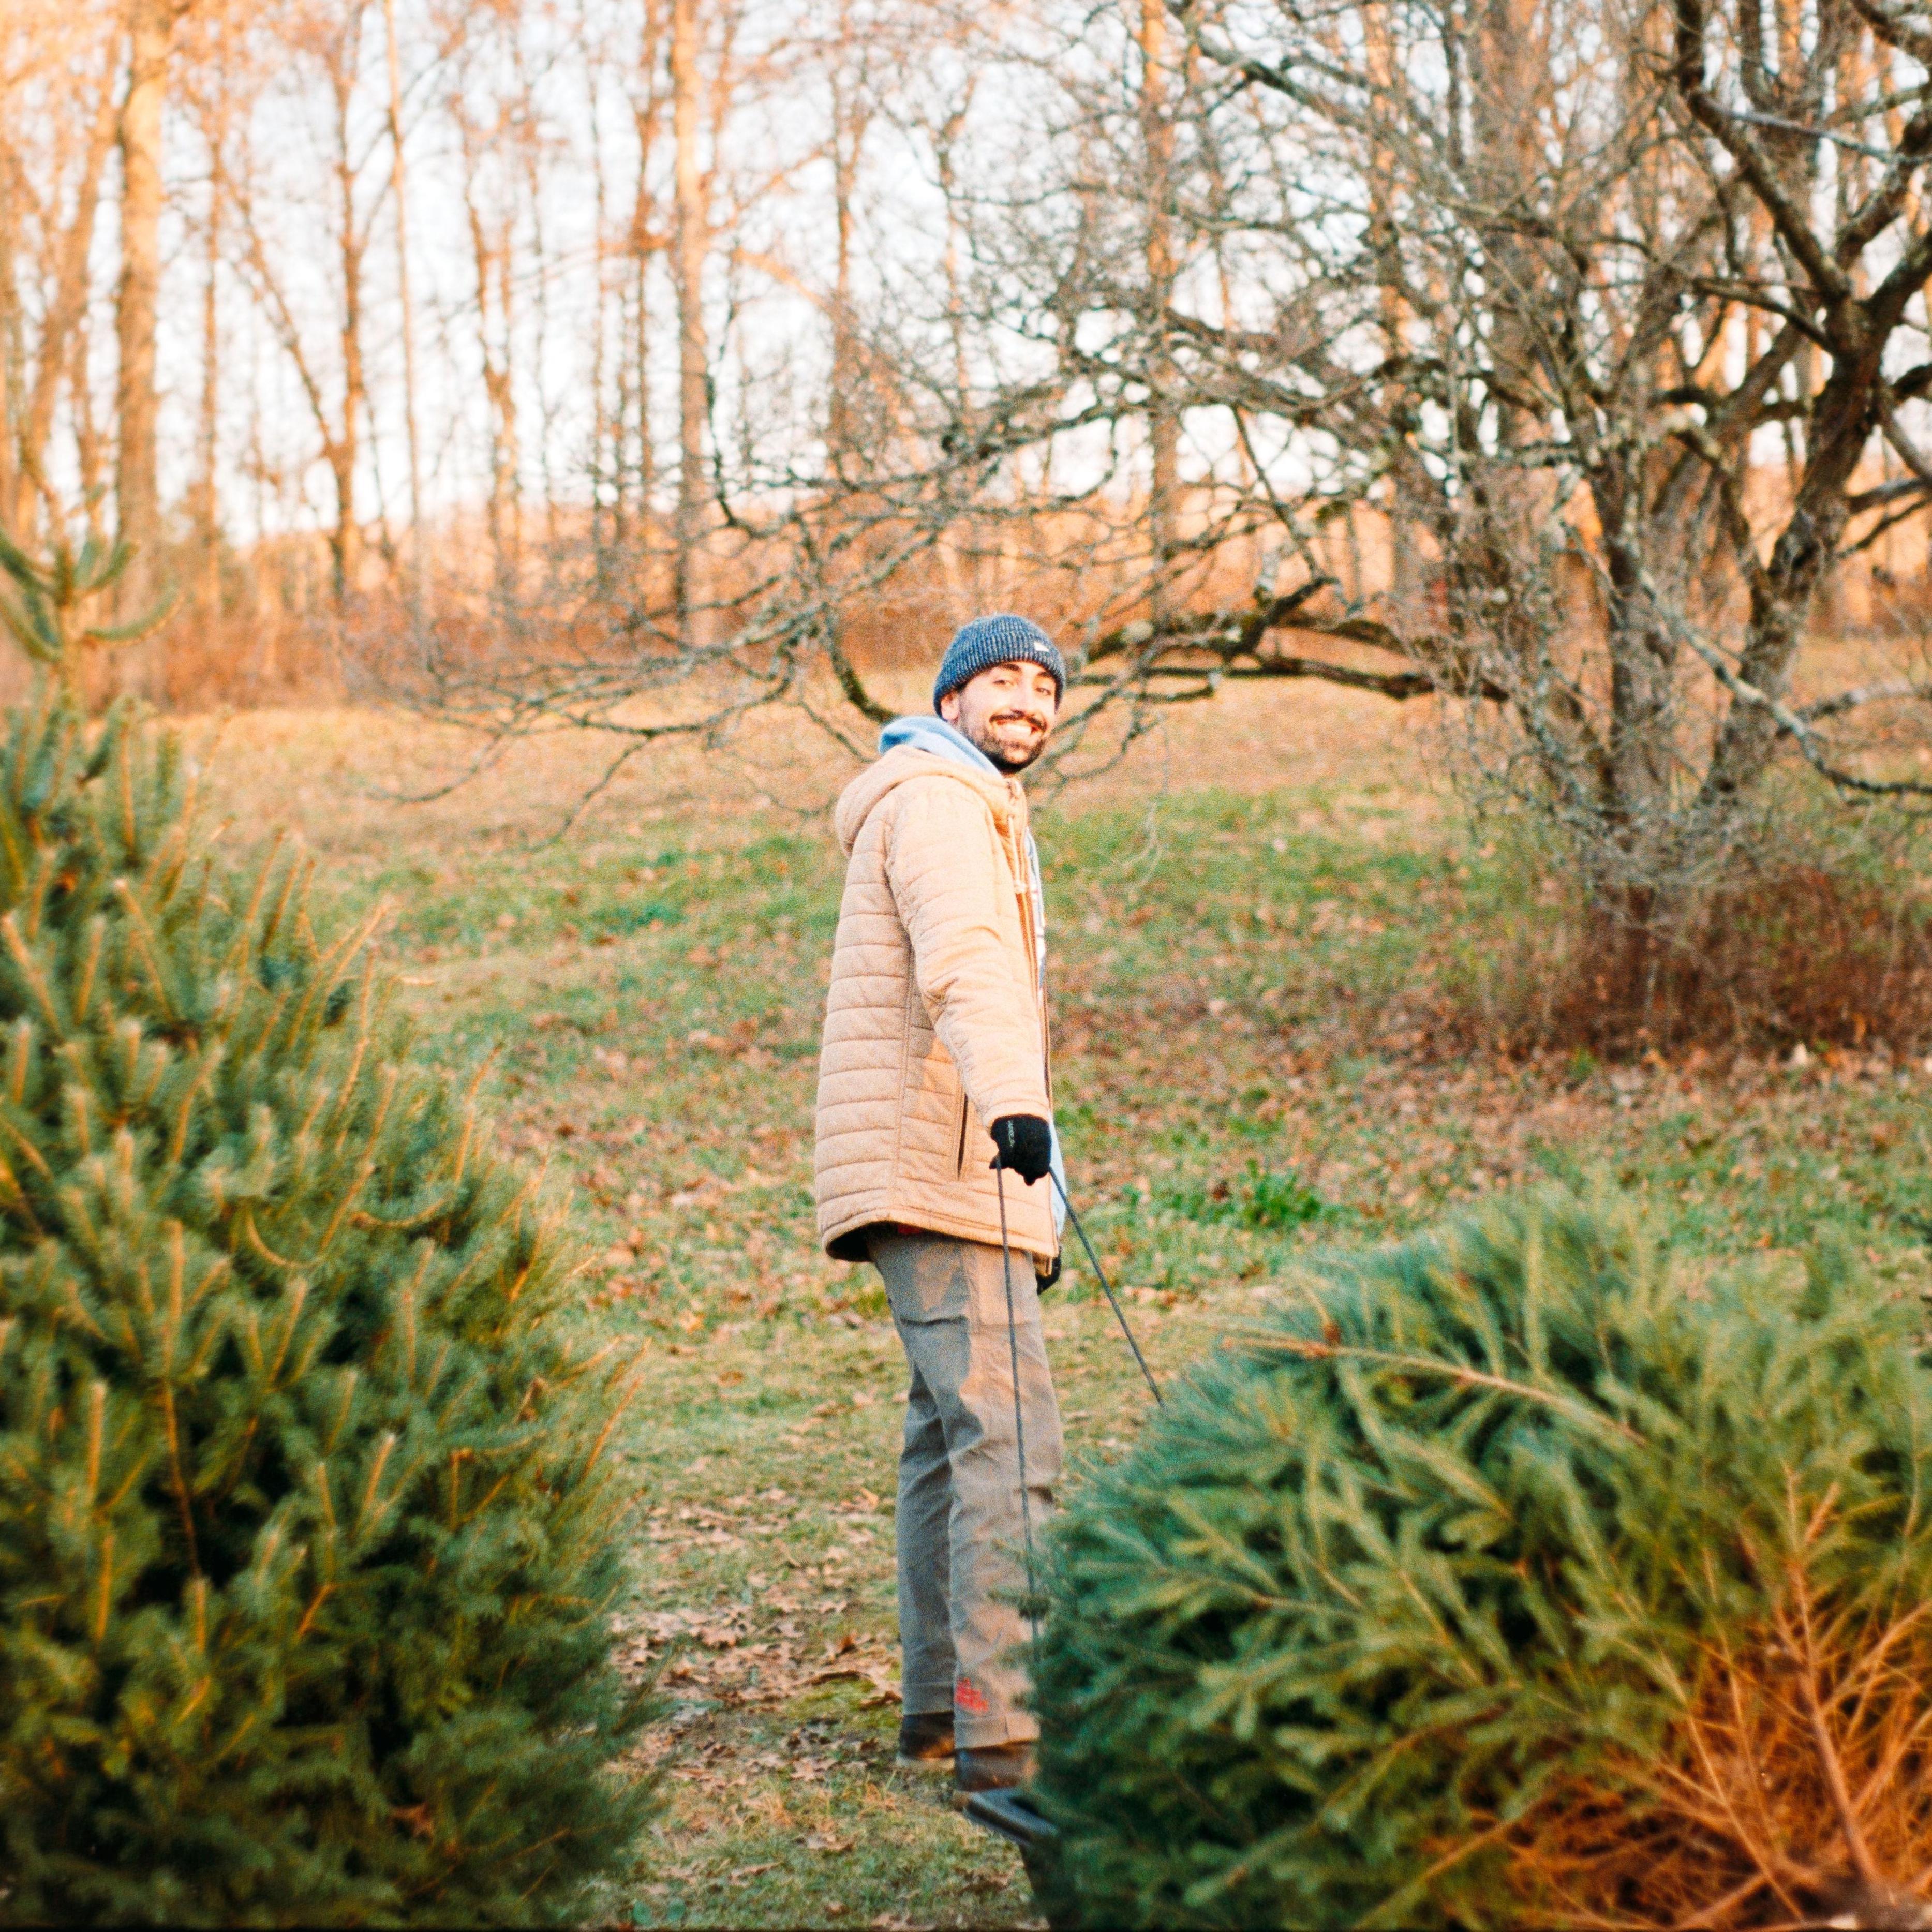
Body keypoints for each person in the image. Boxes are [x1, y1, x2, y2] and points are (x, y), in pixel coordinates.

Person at [813, 613, 1068, 1797]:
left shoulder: (959, 801)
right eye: (1002, 680)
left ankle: (935, 1708)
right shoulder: (941, 801)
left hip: (933, 1160)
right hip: (947, 1163)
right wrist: (1016, 1107)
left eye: (1044, 687)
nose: (1027, 702)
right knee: (1008, 1441)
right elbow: (966, 959)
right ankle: (1004, 1731)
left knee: (945, 1436)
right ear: (952, 697)